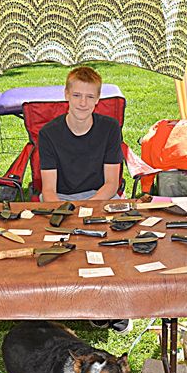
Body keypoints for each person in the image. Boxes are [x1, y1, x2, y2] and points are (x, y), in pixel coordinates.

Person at [39, 66, 132, 334]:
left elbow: (112, 183)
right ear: (66, 95)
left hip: (102, 197)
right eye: (77, 95)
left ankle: (117, 306)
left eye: (90, 97)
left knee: (114, 248)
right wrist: (71, 213)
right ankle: (77, 302)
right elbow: (48, 191)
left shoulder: (109, 128)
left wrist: (88, 210)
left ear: (98, 99)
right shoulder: (49, 134)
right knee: (65, 251)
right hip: (63, 200)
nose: (83, 103)